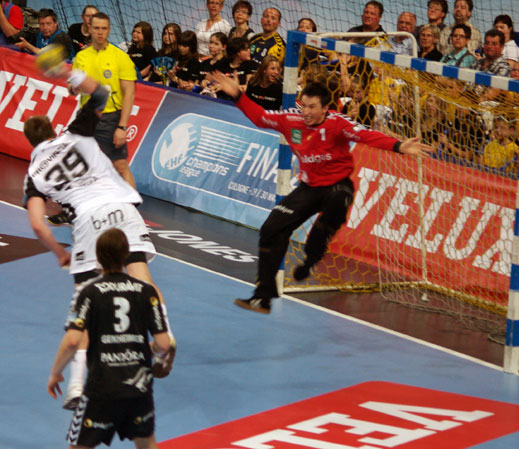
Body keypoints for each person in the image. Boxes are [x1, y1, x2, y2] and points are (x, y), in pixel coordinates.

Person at [206, 73, 433, 314]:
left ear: (325, 108)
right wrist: (238, 96)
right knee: (271, 229)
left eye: (312, 107)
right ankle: (263, 296)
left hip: (338, 186)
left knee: (329, 215)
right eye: (304, 105)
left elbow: (367, 135)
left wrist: (399, 146)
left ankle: (312, 258)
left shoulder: (338, 123)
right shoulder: (290, 120)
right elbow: (261, 117)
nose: (306, 112)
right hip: (309, 187)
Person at [24, 68, 174, 408]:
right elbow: (103, 93)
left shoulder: (33, 173)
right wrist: (69, 72)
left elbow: (38, 224)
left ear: (30, 143)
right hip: (122, 207)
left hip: (88, 220)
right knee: (142, 278)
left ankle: (77, 385)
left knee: (86, 305)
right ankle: (165, 337)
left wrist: (59, 253)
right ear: (53, 130)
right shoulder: (75, 132)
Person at [47, 228, 174, 449]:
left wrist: (55, 373)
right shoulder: (147, 292)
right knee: (147, 444)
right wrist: (153, 351)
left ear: (98, 257)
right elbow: (164, 344)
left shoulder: (88, 292)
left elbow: (72, 341)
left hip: (102, 388)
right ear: (126, 255)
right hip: (139, 388)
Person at [72, 12, 138, 190]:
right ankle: (73, 203)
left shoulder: (121, 57)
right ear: (89, 29)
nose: (100, 32)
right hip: (85, 117)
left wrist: (122, 127)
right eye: (96, 28)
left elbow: (129, 93)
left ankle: (133, 205)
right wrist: (74, 88)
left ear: (109, 30)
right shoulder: (81, 57)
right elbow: (72, 88)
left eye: (104, 28)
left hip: (109, 118)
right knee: (75, 165)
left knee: (120, 167)